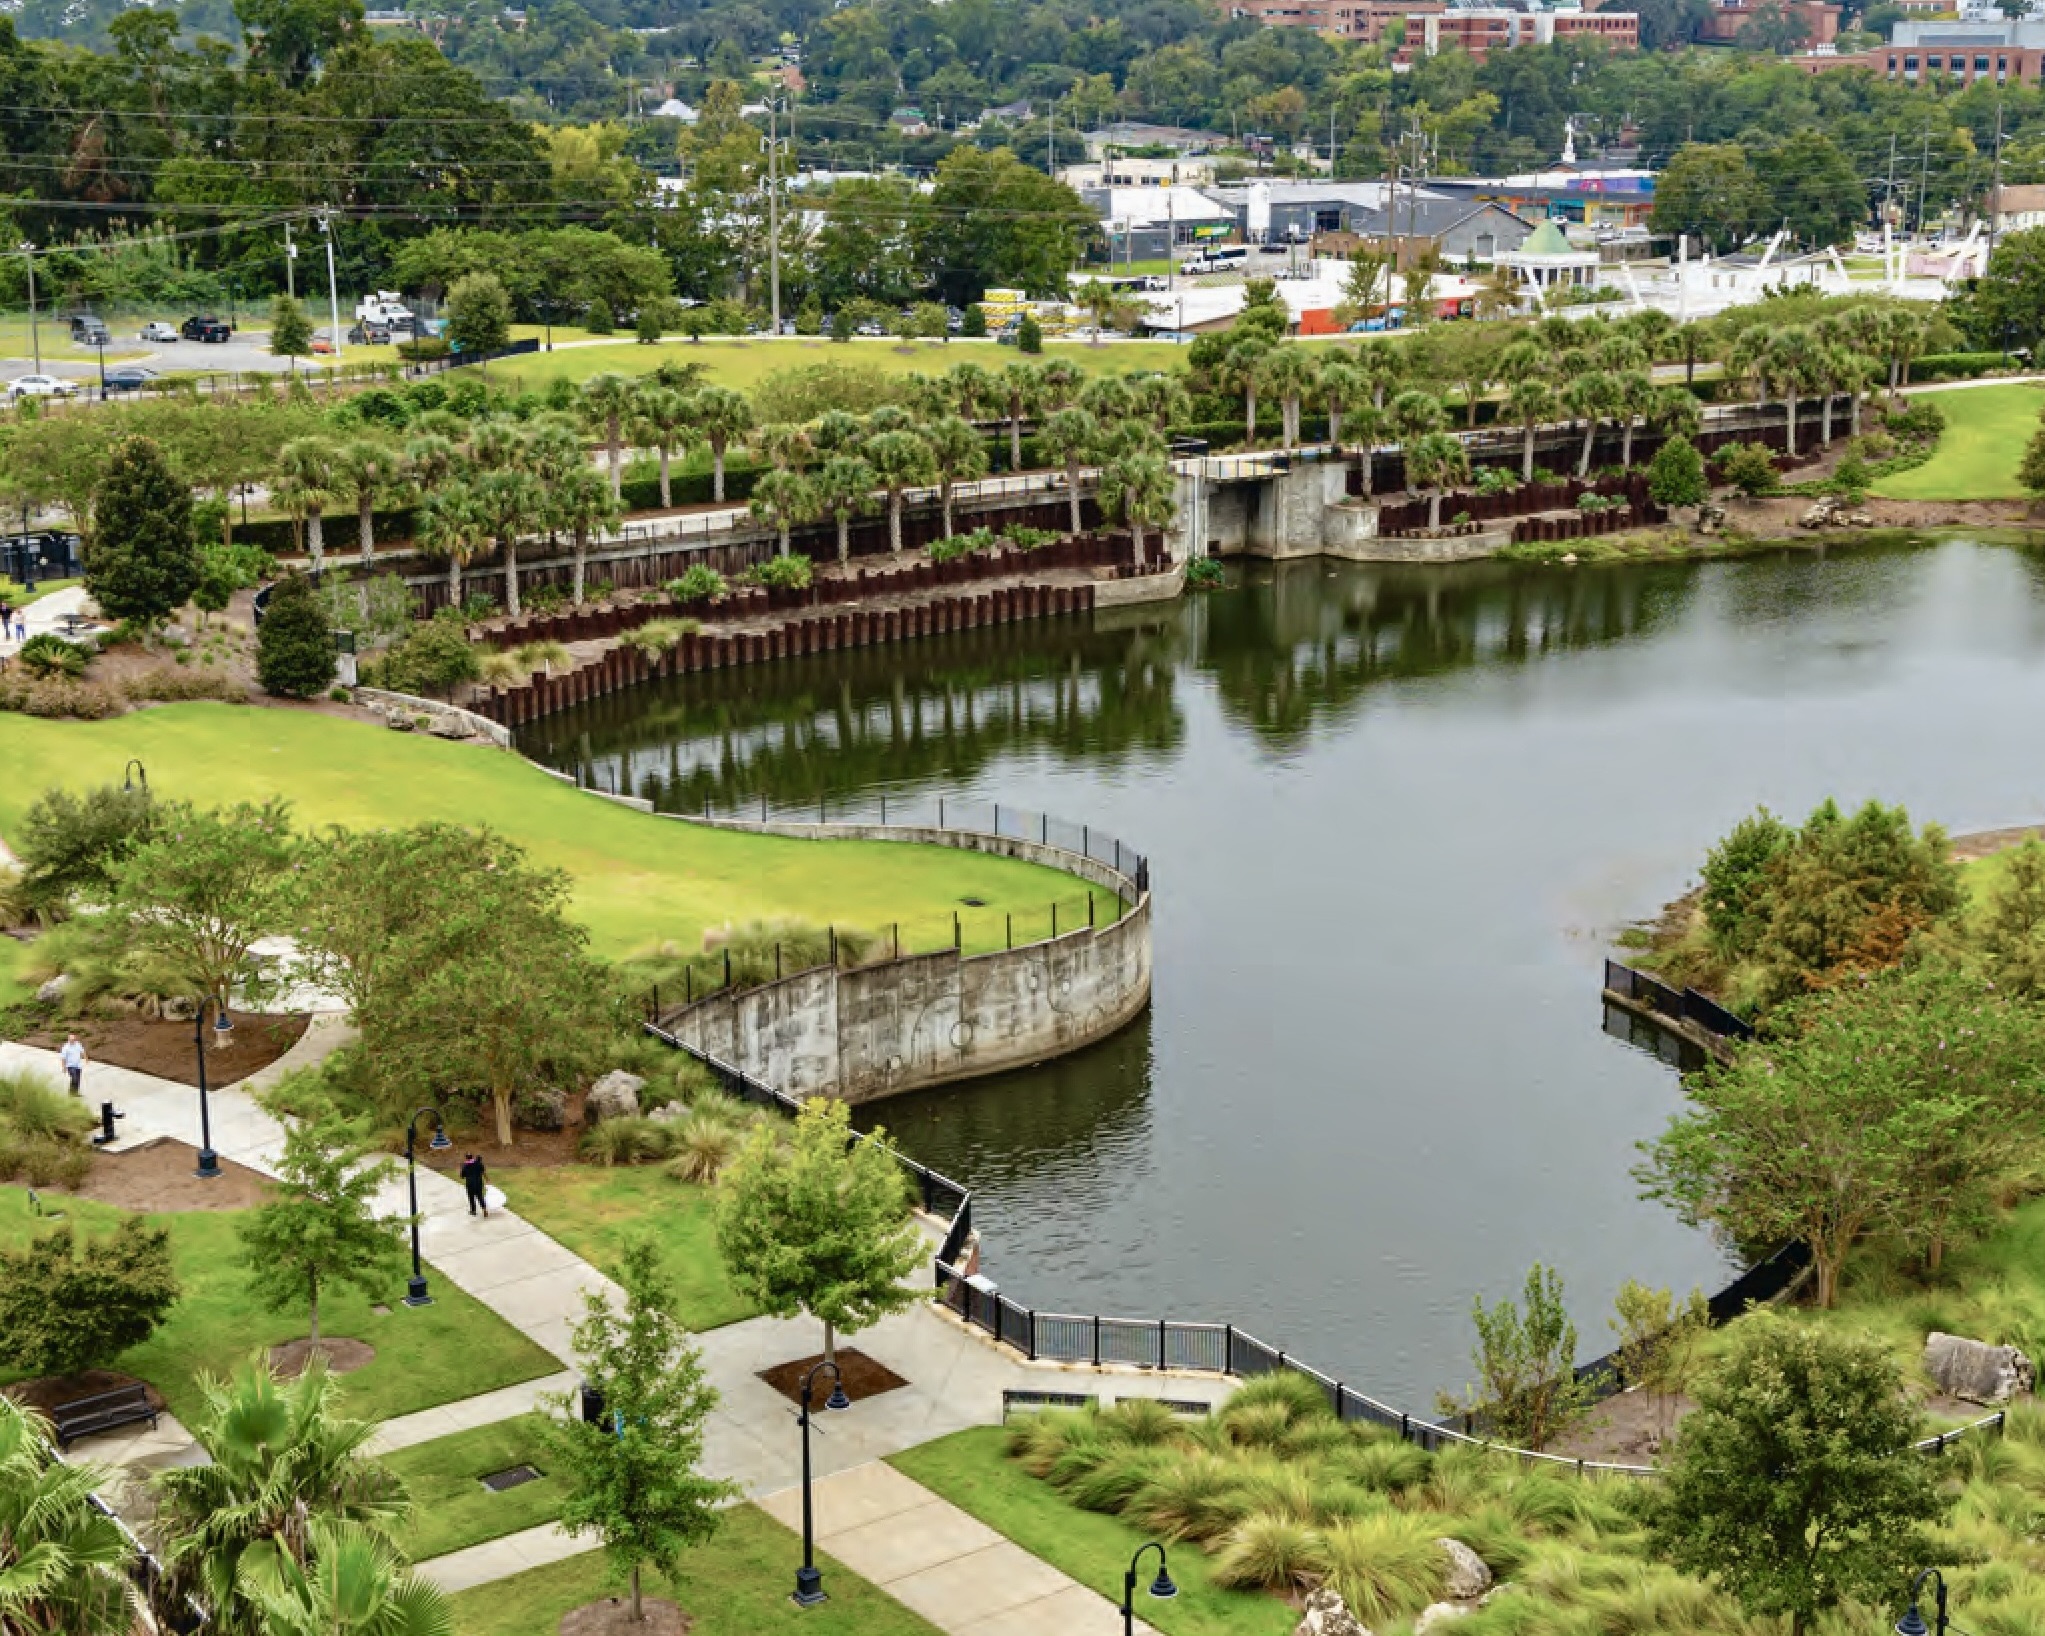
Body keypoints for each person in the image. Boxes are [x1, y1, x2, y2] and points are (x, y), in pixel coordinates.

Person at [460, 1151, 489, 1218]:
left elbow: (462, 1176)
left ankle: (473, 1211)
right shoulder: (478, 1163)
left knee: (471, 1197)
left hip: (470, 1184)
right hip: (479, 1183)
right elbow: (483, 1172)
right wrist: (487, 1179)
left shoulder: (465, 1166)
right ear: (472, 1157)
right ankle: (484, 1209)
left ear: (466, 1158)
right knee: (480, 1197)